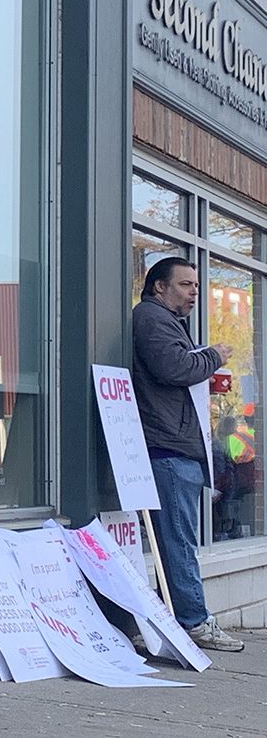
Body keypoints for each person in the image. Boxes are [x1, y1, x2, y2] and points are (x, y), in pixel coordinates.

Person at [132, 256, 244, 651]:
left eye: (196, 285)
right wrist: (213, 356)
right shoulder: (150, 318)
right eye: (185, 284)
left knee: (178, 540)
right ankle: (194, 621)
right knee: (178, 541)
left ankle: (177, 620)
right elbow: (174, 368)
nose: (194, 291)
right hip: (167, 451)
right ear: (159, 287)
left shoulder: (167, 322)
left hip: (175, 448)